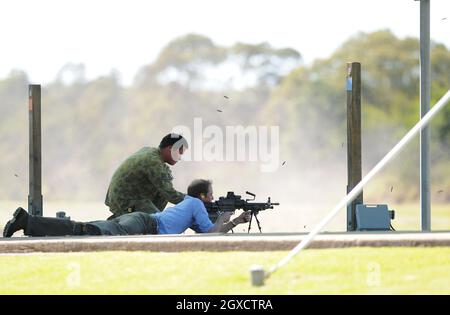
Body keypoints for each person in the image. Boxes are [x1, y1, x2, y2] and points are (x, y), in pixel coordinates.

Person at [3, 179, 251, 237]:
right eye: (211, 195)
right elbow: (211, 234)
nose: (212, 198)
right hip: (144, 223)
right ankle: (27, 222)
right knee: (88, 233)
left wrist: (235, 222)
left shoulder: (191, 204)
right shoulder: (196, 203)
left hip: (140, 219)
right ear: (201, 196)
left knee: (83, 229)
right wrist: (230, 216)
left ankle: (27, 221)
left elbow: (205, 233)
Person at [105, 133, 188, 219]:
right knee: (157, 222)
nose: (180, 158)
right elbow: (170, 194)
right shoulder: (153, 162)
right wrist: (194, 201)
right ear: (170, 148)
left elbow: (166, 188)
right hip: (126, 200)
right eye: (180, 153)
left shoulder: (152, 153)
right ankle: (137, 220)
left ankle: (131, 219)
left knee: (162, 195)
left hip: (125, 198)